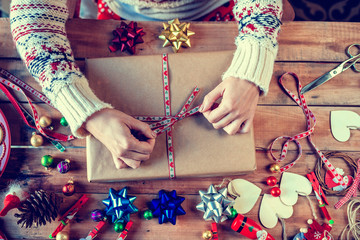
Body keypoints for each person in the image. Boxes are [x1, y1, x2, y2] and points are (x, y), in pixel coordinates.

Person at [9, 0, 294, 169]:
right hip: (119, 21)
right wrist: (86, 111)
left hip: (222, 15)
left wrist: (252, 66)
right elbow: (32, 18)